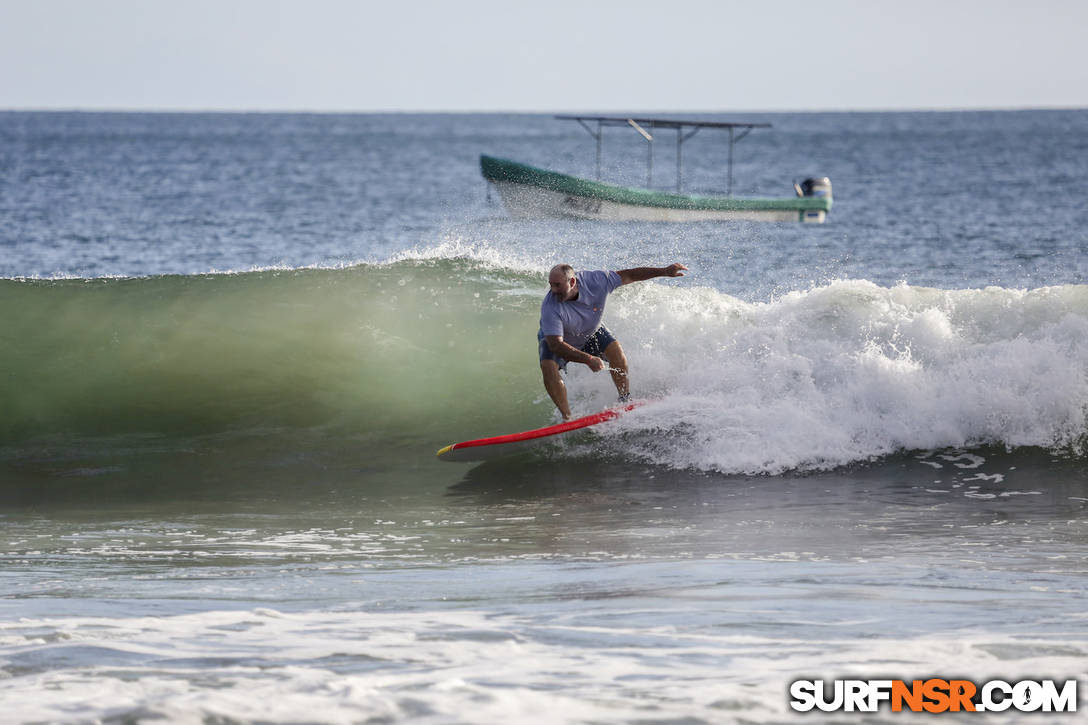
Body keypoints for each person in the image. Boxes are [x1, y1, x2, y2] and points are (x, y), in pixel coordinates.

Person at [538, 262, 687, 420]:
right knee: (548, 367)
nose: (553, 290)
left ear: (572, 282)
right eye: (551, 285)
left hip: (590, 330)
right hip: (558, 339)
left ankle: (624, 398)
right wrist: (588, 359)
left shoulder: (596, 280)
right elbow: (556, 345)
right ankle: (567, 417)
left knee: (616, 351)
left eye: (557, 285)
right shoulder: (550, 307)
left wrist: (664, 271)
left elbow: (629, 275)